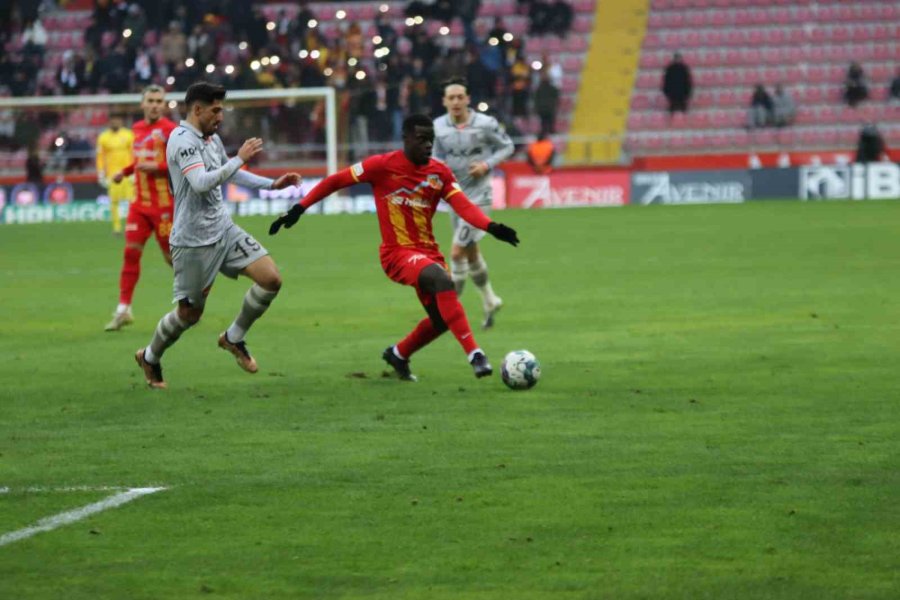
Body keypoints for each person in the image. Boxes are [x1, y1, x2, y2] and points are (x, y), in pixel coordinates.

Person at [269, 114, 520, 381]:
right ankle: (476, 355)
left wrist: (491, 227)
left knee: (441, 320)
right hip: (397, 254)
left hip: (429, 254)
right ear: (406, 138)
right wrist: (299, 208)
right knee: (442, 281)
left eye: (431, 140)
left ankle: (398, 354)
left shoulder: (440, 172)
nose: (427, 146)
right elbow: (336, 181)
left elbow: (463, 206)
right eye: (422, 139)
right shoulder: (382, 166)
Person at [134, 82, 302, 389]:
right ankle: (150, 356)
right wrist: (240, 158)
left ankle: (233, 338)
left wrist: (272, 184)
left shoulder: (210, 138)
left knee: (271, 279)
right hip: (193, 241)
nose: (221, 116)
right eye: (216, 109)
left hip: (223, 228)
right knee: (189, 315)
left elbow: (229, 171)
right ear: (197, 109)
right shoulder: (181, 140)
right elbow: (200, 182)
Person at [433, 78, 514, 329]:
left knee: (457, 252)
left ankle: (446, 311)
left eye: (460, 97)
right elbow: (434, 156)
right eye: (451, 98)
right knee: (471, 252)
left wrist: (486, 165)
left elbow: (508, 146)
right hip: (454, 197)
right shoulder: (438, 127)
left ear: (468, 99)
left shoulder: (485, 124)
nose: (456, 102)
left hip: (479, 198)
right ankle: (490, 300)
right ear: (444, 101)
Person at [104, 85, 178, 332]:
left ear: (164, 104)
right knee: (131, 253)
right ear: (142, 104)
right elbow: (138, 162)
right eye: (151, 100)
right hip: (139, 205)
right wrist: (123, 173)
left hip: (165, 206)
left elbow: (180, 163)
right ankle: (123, 309)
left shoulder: (171, 131)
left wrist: (157, 168)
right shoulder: (135, 130)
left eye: (160, 100)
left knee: (172, 259)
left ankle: (191, 299)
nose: (156, 104)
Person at [96, 114, 134, 234]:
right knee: (114, 202)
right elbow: (100, 156)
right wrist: (101, 173)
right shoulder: (103, 137)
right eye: (113, 120)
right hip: (112, 175)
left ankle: (131, 225)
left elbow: (134, 153)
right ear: (109, 122)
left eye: (117, 120)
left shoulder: (128, 135)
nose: (115, 123)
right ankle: (117, 228)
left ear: (121, 121)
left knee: (131, 201)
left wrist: (134, 171)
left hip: (127, 173)